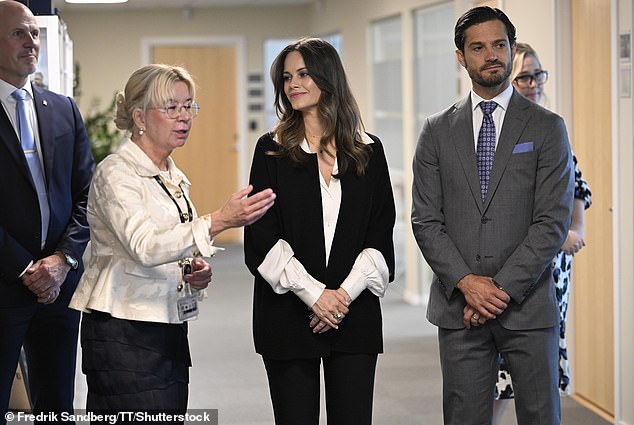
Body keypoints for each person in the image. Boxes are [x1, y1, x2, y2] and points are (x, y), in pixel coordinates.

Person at [68, 64, 275, 416]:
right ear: (139, 117)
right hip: (124, 331)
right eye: (171, 108)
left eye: (188, 106)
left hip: (166, 324)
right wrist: (220, 220)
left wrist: (192, 271)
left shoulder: (171, 174)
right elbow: (145, 246)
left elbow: (172, 242)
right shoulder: (116, 173)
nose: (184, 117)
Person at [411, 6, 574, 425]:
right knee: (464, 417)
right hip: (458, 307)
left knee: (540, 416)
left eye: (500, 45)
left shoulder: (547, 128)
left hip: (528, 305)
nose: (491, 55)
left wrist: (496, 290)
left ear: (511, 48)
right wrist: (468, 285)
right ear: (460, 56)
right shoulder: (436, 131)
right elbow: (426, 220)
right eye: (478, 47)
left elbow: (552, 223)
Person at [244, 37, 395, 425]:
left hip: (353, 314)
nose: (293, 84)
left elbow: (379, 234)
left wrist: (340, 297)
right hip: (288, 315)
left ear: (328, 78)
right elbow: (261, 239)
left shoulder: (369, 151)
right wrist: (315, 297)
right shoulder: (270, 151)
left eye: (304, 74)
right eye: (287, 77)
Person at [0, 1, 95, 421]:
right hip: (4, 283)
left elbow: (88, 194)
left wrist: (62, 260)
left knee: (56, 404)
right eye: (19, 33)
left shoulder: (62, 109)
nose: (31, 42)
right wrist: (26, 268)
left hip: (59, 285)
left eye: (34, 33)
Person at [492, 42, 592, 424]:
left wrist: (575, 229)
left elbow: (577, 185)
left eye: (537, 74)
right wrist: (555, 234)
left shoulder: (551, 126)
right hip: (508, 266)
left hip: (552, 274)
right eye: (524, 77)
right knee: (497, 376)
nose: (533, 83)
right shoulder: (495, 132)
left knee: (540, 377)